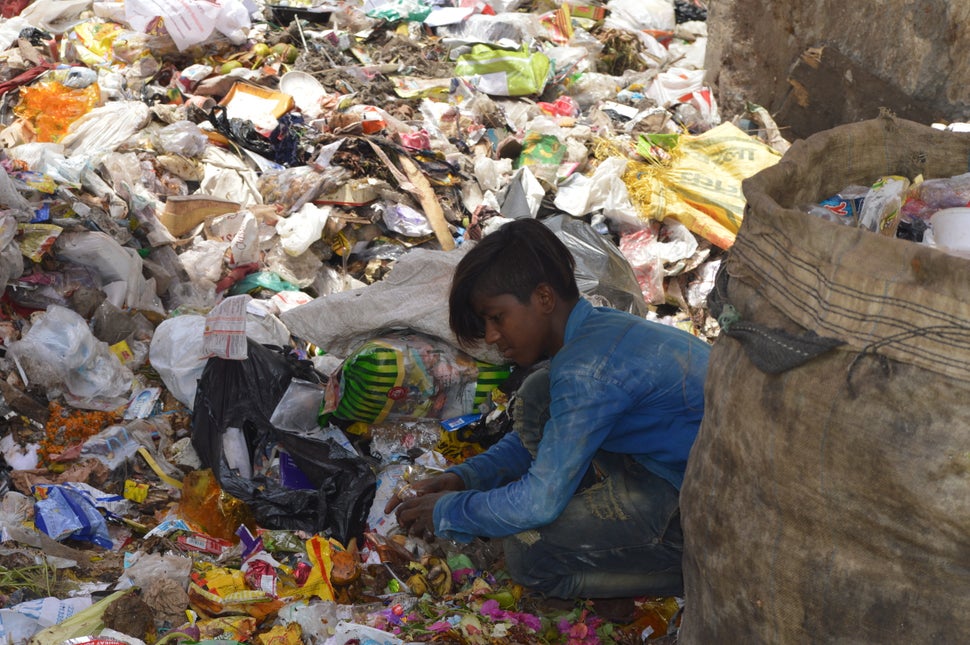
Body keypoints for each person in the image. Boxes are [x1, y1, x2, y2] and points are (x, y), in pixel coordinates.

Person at [385, 217, 710, 606]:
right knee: (538, 392)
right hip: (667, 468)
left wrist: (450, 512)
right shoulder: (593, 335)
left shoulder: (587, 372)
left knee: (529, 554)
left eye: (496, 318)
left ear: (543, 298)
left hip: (698, 508)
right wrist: (464, 478)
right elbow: (544, 438)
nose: (491, 336)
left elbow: (539, 503)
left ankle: (679, 577)